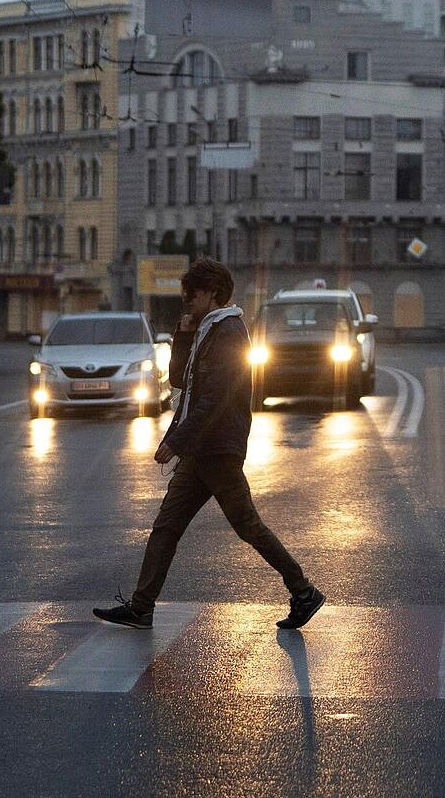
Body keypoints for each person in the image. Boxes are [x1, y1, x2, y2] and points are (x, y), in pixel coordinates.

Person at [94, 258, 324, 632]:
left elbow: (215, 397)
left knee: (248, 526)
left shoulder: (229, 331)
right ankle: (141, 607)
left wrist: (177, 441)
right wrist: (182, 334)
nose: (186, 299)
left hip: (217, 449)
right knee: (166, 527)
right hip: (201, 450)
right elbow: (179, 381)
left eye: (193, 293)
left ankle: (303, 591)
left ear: (212, 293)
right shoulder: (205, 330)